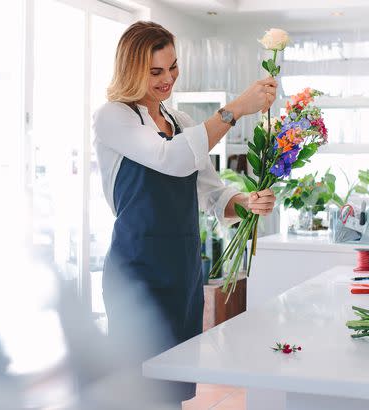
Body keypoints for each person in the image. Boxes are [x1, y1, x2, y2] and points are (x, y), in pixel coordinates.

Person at [92, 21, 277, 405]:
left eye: (172, 67)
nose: (168, 79)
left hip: (183, 273)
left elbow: (210, 192)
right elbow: (168, 157)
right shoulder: (114, 117)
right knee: (138, 387)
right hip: (137, 274)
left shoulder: (183, 123)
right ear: (131, 70)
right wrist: (235, 110)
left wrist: (244, 202)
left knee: (172, 388)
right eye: (155, 71)